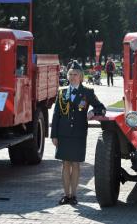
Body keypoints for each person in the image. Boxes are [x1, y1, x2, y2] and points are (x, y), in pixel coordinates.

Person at [51, 60, 106, 205]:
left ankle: (73, 195)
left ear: (81, 76)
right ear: (67, 76)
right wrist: (54, 135)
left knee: (75, 164)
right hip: (63, 134)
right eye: (70, 74)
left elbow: (101, 107)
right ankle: (66, 195)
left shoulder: (87, 92)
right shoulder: (62, 92)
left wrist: (93, 111)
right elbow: (56, 115)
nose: (73, 77)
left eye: (76, 74)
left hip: (78, 134)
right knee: (65, 164)